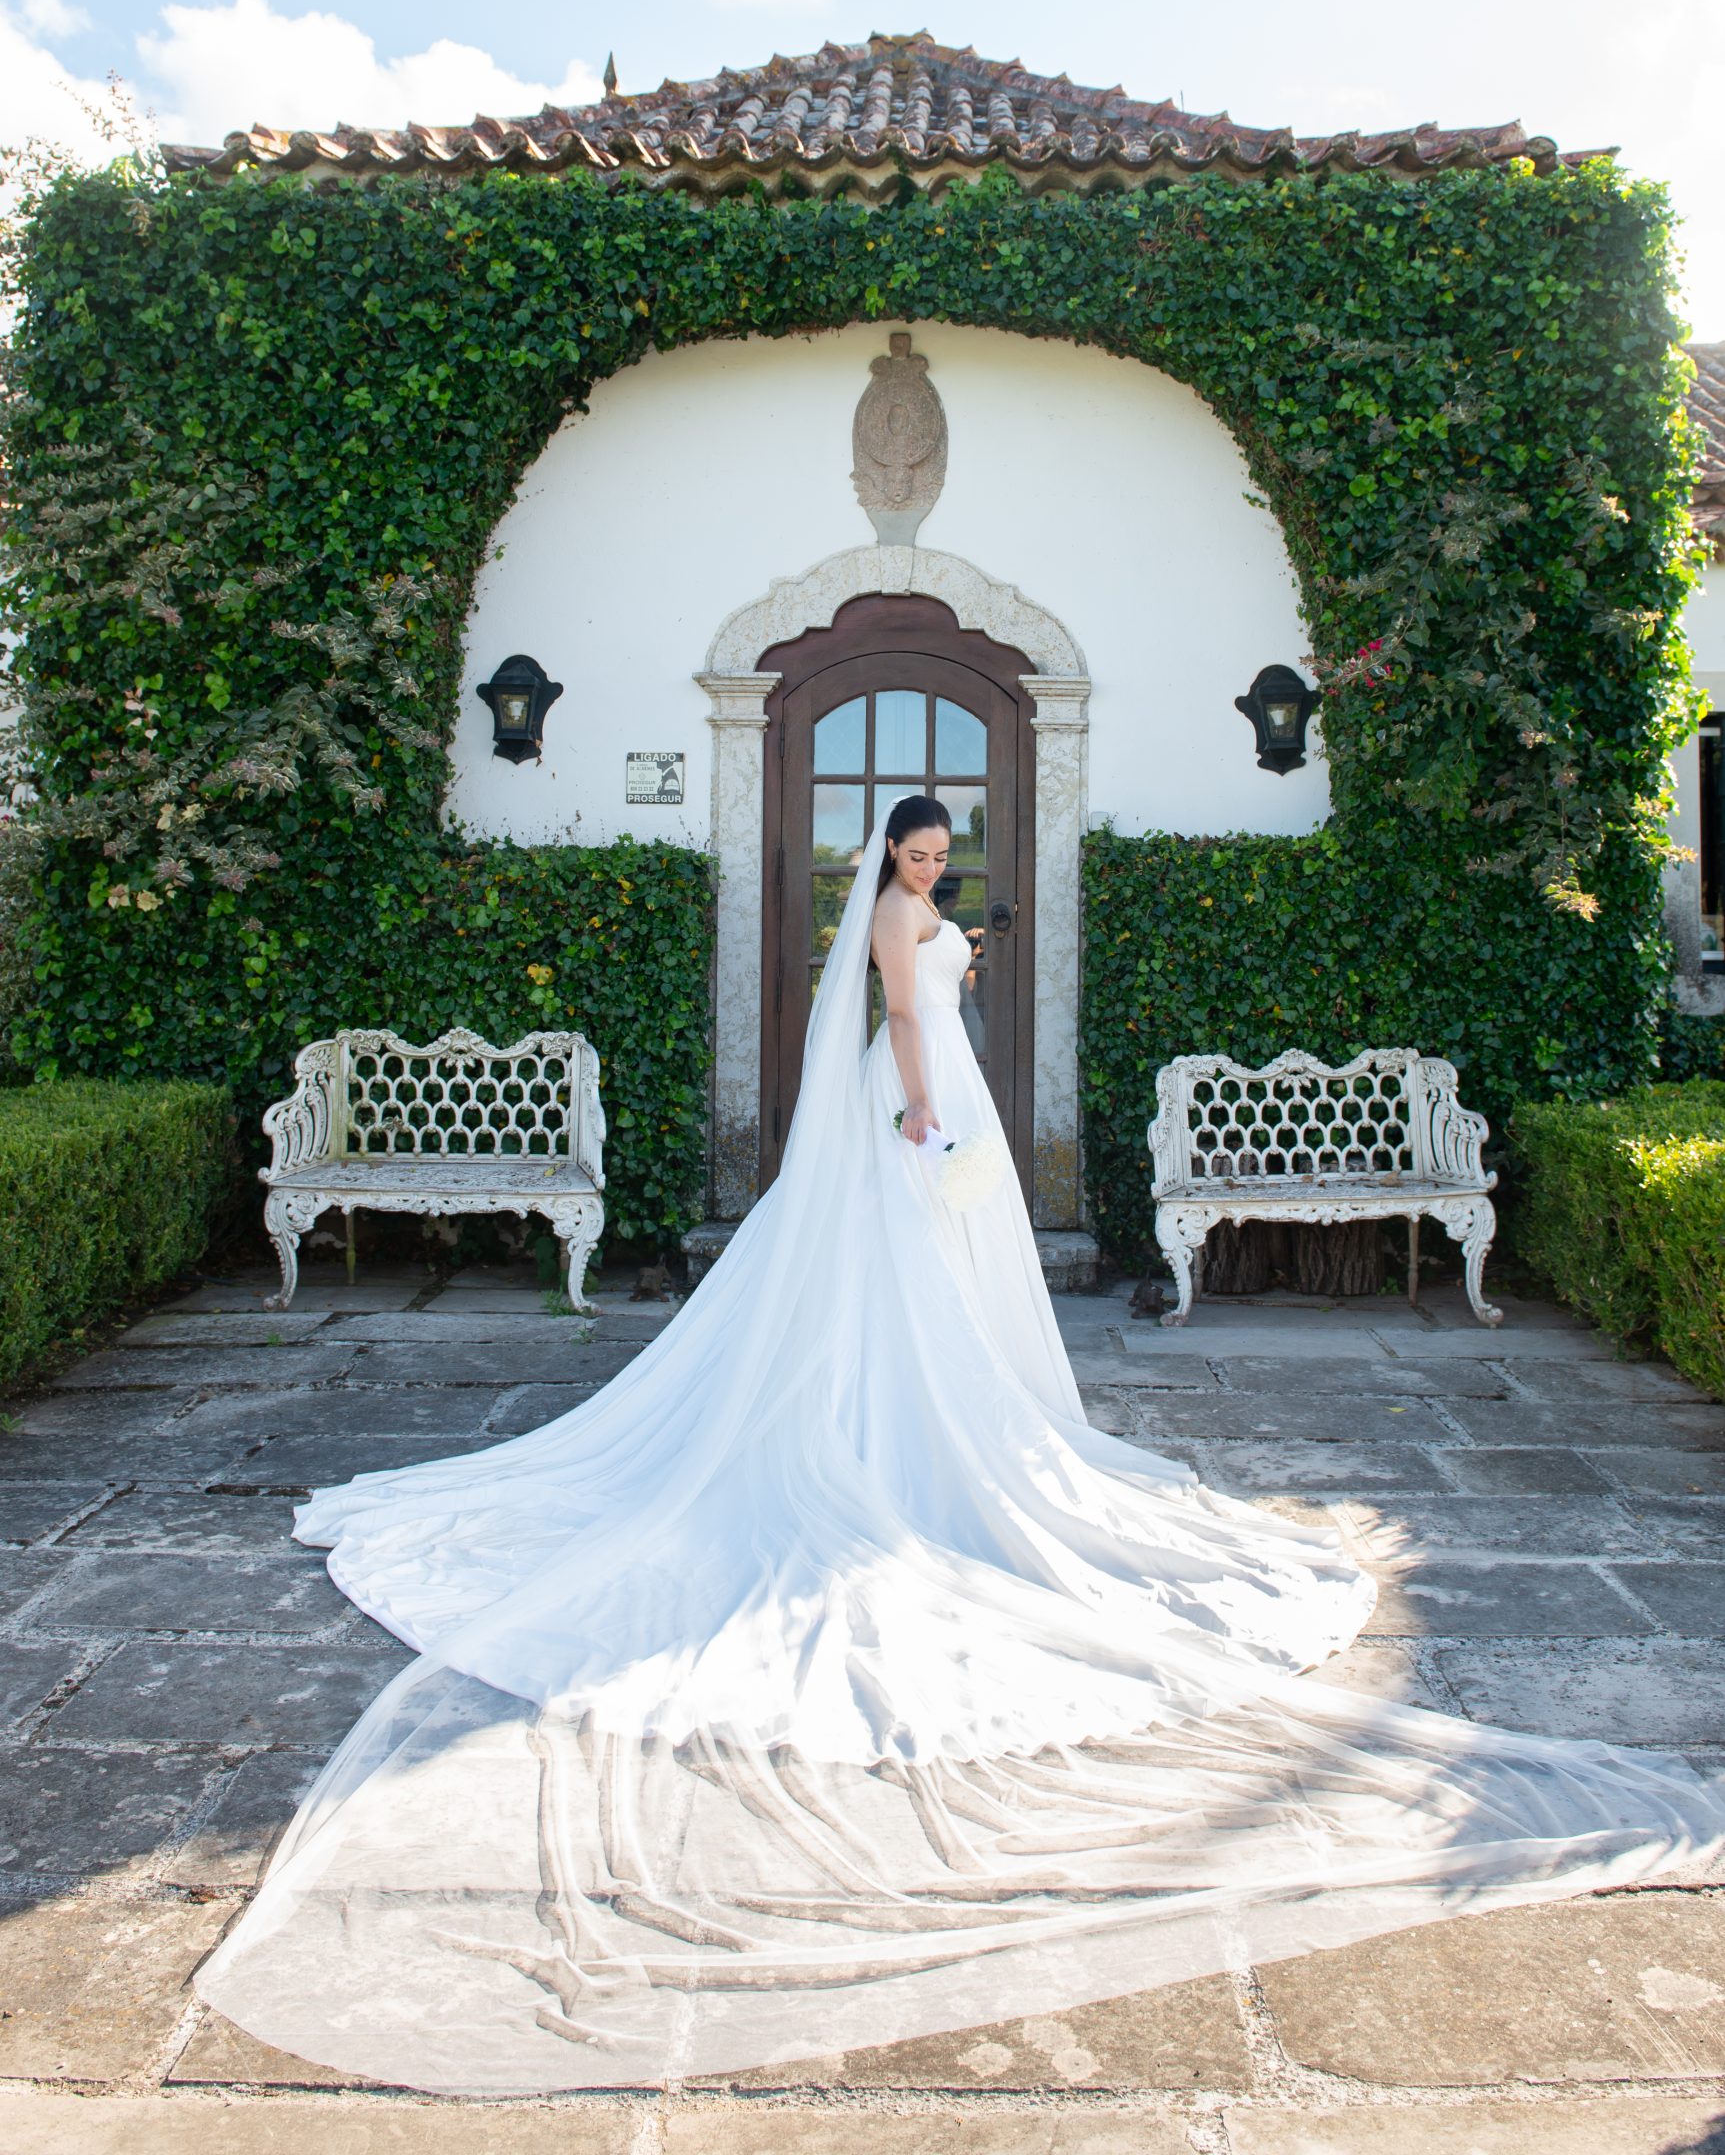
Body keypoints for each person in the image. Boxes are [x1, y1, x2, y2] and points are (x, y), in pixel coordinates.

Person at [198, 801, 1724, 2095]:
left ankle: (954, 1414)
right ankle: (895, 1431)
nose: (927, 873)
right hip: (919, 1116)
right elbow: (908, 1030)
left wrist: (951, 1010)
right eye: (915, 857)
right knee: (901, 1294)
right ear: (889, 861)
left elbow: (931, 993)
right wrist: (925, 1121)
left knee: (952, 1298)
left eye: (938, 859)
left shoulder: (927, 921)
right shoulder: (887, 932)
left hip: (944, 1109)